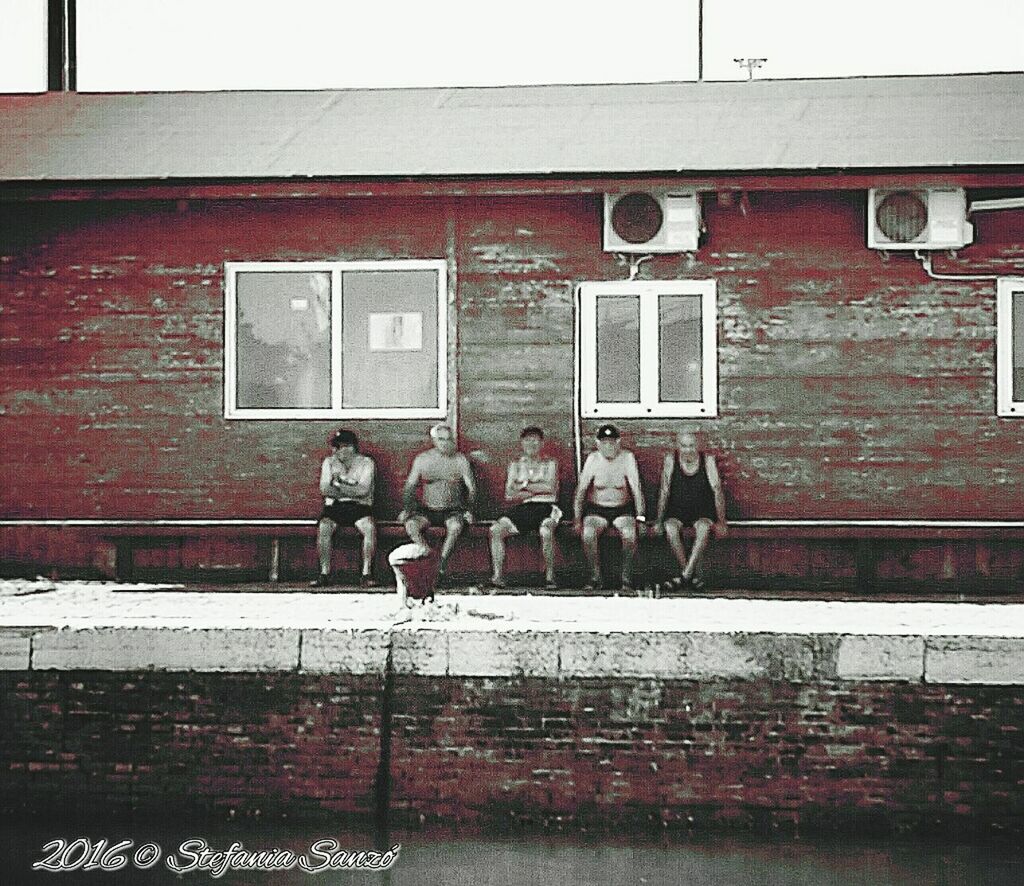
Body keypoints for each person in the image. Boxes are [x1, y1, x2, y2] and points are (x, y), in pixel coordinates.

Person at [399, 423, 476, 583]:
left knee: (455, 527)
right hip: (427, 509)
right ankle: (429, 556)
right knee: (411, 526)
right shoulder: (423, 460)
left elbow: (471, 488)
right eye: (441, 440)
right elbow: (409, 487)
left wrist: (469, 510)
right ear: (434, 440)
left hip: (452, 509)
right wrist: (407, 509)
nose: (445, 443)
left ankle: (441, 564)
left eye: (448, 440)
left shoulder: (460, 460)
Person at [573, 424, 645, 593]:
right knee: (588, 533)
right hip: (597, 509)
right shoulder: (593, 459)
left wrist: (641, 518)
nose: (608, 447)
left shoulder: (627, 458)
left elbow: (636, 490)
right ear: (598, 443)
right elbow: (581, 490)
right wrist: (577, 519)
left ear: (618, 442)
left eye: (612, 443)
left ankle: (626, 578)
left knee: (629, 534)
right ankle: (595, 576)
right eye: (605, 443)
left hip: (622, 508)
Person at [488, 427, 562, 590]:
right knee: (496, 529)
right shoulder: (515, 465)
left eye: (535, 440)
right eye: (527, 440)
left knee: (546, 531)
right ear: (522, 443)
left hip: (546, 506)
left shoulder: (550, 463)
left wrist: (523, 486)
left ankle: (550, 576)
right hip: (523, 508)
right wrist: (537, 487)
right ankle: (498, 576)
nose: (531, 443)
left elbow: (551, 489)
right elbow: (509, 494)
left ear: (542, 443)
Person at [653, 430, 728, 591]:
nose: (687, 449)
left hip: (702, 510)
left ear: (698, 445)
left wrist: (721, 521)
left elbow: (717, 491)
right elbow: (664, 491)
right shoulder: (671, 460)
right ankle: (691, 576)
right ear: (678, 446)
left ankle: (684, 576)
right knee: (670, 529)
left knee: (703, 528)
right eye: (684, 446)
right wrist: (659, 521)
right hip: (677, 510)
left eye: (691, 445)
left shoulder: (707, 461)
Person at [312, 429, 377, 588]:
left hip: (359, 507)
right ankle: (324, 573)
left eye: (341, 447)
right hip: (335, 507)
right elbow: (325, 489)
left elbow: (364, 491)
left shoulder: (366, 463)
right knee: (324, 527)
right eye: (336, 447)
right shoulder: (329, 462)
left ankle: (366, 573)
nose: (337, 451)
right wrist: (351, 489)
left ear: (352, 447)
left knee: (368, 527)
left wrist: (339, 486)